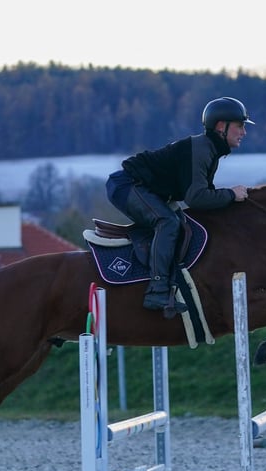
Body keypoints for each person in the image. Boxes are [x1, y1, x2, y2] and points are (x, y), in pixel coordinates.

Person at [106, 96, 253, 317]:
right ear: (221, 126)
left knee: (183, 224)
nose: (244, 132)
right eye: (240, 126)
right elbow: (196, 198)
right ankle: (157, 291)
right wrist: (231, 194)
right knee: (167, 222)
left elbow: (202, 196)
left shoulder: (211, 149)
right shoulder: (204, 149)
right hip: (127, 186)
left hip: (142, 188)